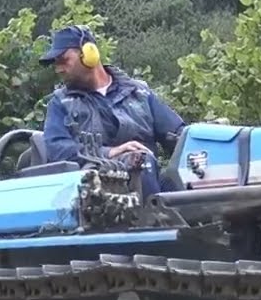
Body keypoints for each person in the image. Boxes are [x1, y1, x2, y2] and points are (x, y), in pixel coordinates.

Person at [37, 24, 186, 194]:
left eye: (63, 60)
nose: (59, 69)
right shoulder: (61, 103)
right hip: (95, 194)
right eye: (56, 64)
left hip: (150, 185)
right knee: (138, 159)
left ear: (89, 54)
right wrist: (109, 153)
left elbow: (178, 135)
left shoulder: (139, 93)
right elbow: (57, 149)